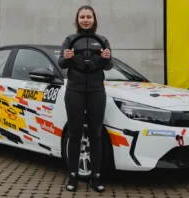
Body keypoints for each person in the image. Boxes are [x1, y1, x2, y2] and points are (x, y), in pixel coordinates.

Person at [58, 5, 113, 193]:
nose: (86, 19)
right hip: (74, 91)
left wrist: (107, 57)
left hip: (97, 91)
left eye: (89, 16)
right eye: (82, 17)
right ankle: (73, 176)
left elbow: (109, 66)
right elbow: (62, 63)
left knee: (96, 134)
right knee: (74, 134)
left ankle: (95, 178)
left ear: (94, 19)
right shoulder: (70, 39)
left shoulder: (103, 40)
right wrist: (66, 57)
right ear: (77, 20)